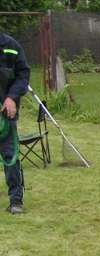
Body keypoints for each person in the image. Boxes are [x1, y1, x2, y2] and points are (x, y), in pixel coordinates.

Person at [0, 32, 30, 215]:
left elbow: (23, 75)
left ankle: (16, 200)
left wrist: (11, 98)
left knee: (10, 157)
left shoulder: (11, 46)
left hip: (6, 113)